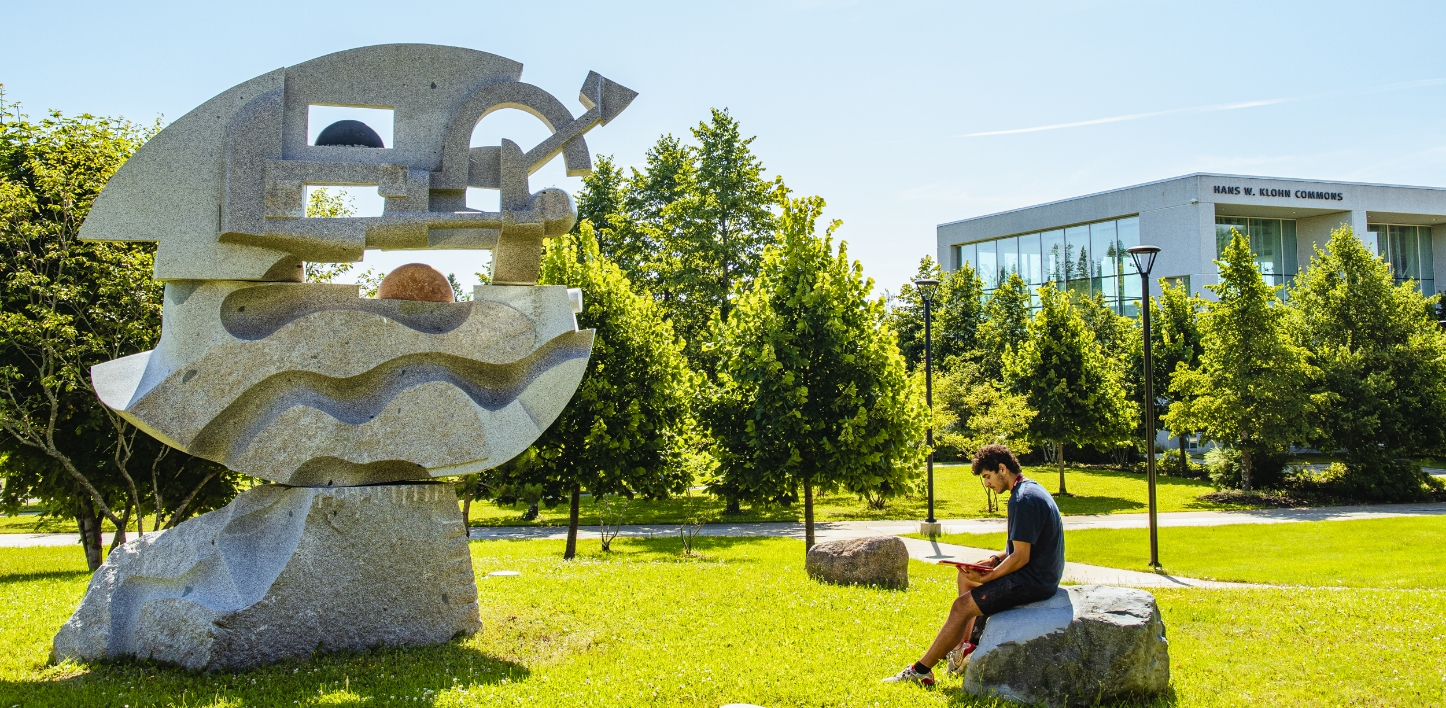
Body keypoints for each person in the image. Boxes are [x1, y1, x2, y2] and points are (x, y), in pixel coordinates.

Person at [883, 443, 1064, 686]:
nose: (987, 484)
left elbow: (1022, 557)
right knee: (966, 576)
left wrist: (990, 577)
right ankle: (962, 649)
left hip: (1034, 581)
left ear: (1002, 468)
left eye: (988, 477)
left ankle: (921, 671)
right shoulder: (1027, 490)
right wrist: (992, 561)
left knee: (961, 607)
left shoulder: (1023, 500)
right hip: (1034, 573)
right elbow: (1018, 549)